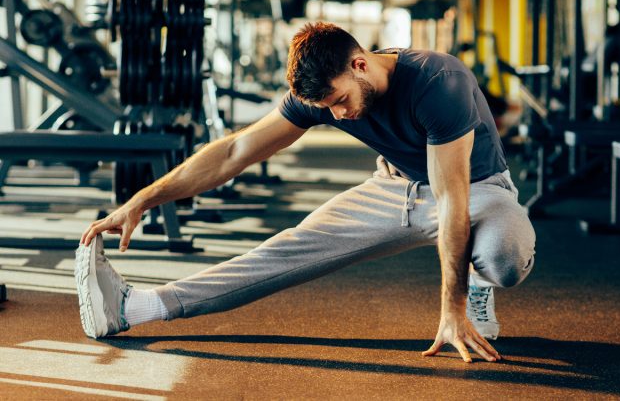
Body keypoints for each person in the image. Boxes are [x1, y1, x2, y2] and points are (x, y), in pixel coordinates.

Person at [76, 22, 536, 363]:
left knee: (504, 257)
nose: (336, 116)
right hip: (394, 189)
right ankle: (135, 306)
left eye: (339, 102)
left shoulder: (437, 81)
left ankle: (477, 286)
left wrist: (451, 308)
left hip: (475, 189)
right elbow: (235, 151)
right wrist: (142, 199)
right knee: (286, 250)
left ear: (360, 64)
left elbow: (451, 197)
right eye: (326, 109)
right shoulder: (321, 92)